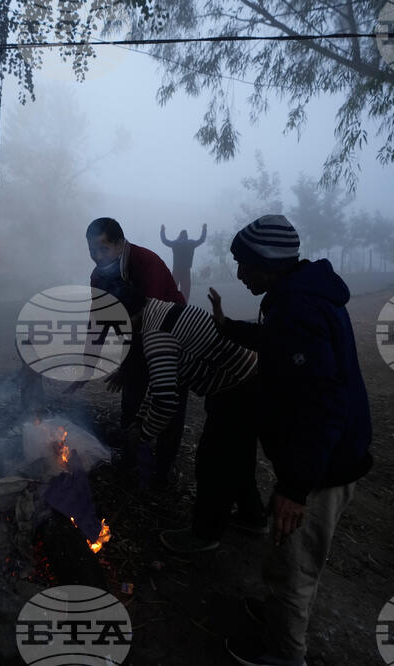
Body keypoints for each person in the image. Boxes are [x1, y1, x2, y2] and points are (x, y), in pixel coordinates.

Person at [208, 214, 372, 666]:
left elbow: (324, 406)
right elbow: (275, 341)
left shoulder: (299, 309)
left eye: (244, 265)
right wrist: (229, 327)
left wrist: (295, 488)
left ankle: (284, 655)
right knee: (287, 559)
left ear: (268, 263)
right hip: (322, 460)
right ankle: (279, 618)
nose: (239, 274)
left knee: (292, 570)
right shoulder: (295, 298)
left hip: (321, 468)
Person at [95, 274, 264, 554]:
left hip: (238, 389)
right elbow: (164, 382)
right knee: (239, 455)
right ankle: (253, 516)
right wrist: (139, 419)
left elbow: (165, 399)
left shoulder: (155, 336)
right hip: (251, 379)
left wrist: (144, 434)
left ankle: (204, 535)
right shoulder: (158, 308)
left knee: (213, 463)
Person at [73, 217, 188, 488]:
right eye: (92, 250)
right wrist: (87, 367)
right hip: (139, 337)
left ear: (121, 244)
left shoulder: (146, 263)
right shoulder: (99, 276)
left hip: (170, 335)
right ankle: (131, 456)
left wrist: (126, 365)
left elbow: (150, 317)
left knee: (166, 401)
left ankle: (162, 471)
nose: (97, 257)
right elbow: (98, 320)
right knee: (132, 401)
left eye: (103, 249)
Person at [161, 223, 207, 302]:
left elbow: (164, 240)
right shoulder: (191, 243)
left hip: (176, 270)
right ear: (187, 236)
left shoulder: (175, 243)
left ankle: (172, 302)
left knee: (173, 287)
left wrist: (162, 230)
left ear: (179, 236)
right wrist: (204, 229)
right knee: (185, 289)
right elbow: (201, 239)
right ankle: (184, 303)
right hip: (186, 270)